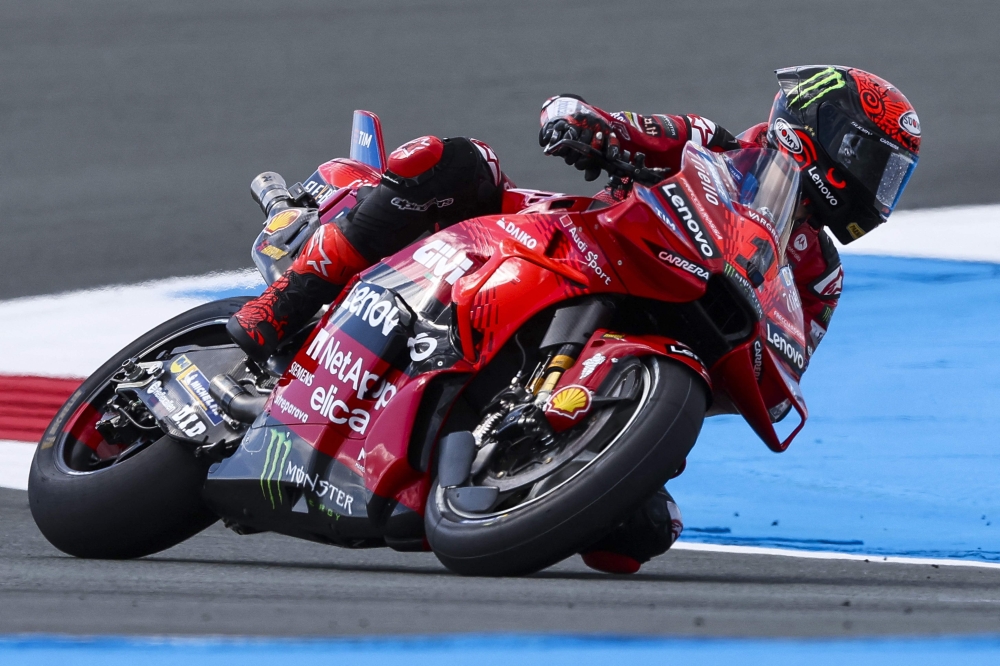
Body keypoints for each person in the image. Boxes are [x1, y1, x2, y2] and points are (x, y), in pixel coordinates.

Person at [227, 65, 921, 573]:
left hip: (652, 344)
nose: (875, 188)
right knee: (453, 162)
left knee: (639, 533)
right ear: (826, 133)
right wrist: (584, 125)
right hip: (559, 247)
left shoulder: (820, 276)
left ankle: (498, 455)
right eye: (874, 163)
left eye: (891, 178)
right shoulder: (712, 145)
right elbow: (622, 128)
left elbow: (787, 354)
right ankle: (279, 306)